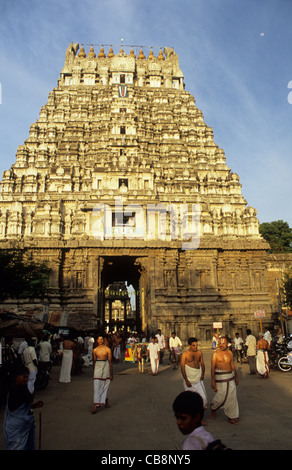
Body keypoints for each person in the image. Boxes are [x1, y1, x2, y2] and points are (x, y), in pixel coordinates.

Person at [3, 363, 43, 450]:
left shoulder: (13, 388)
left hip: (12, 426)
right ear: (16, 377)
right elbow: (29, 399)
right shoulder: (20, 389)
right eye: (24, 377)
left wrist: (35, 405)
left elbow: (23, 406)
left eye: (27, 377)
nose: (26, 379)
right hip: (17, 426)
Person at [210, 336, 239, 425]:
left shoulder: (229, 353)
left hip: (230, 375)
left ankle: (232, 416)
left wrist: (236, 376)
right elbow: (212, 368)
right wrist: (212, 381)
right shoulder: (215, 354)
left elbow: (232, 364)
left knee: (232, 397)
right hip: (220, 377)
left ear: (227, 344)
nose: (221, 345)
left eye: (223, 343)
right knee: (221, 396)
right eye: (220, 343)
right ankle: (213, 408)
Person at [180, 338, 208, 417]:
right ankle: (196, 418)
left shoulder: (199, 353)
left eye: (196, 345)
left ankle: (199, 416)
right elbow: (182, 367)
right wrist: (186, 380)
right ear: (189, 346)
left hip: (198, 379)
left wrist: (203, 374)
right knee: (191, 401)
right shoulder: (185, 354)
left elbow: (202, 364)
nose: (195, 347)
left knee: (204, 399)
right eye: (193, 345)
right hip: (189, 380)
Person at [92, 335, 113, 414]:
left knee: (106, 385)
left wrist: (111, 374)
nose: (100, 341)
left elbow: (110, 362)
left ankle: (106, 400)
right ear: (97, 341)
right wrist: (94, 371)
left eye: (102, 339)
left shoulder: (107, 350)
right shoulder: (95, 350)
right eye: (99, 339)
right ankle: (95, 404)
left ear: (103, 340)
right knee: (96, 385)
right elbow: (94, 361)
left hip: (106, 366)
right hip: (98, 366)